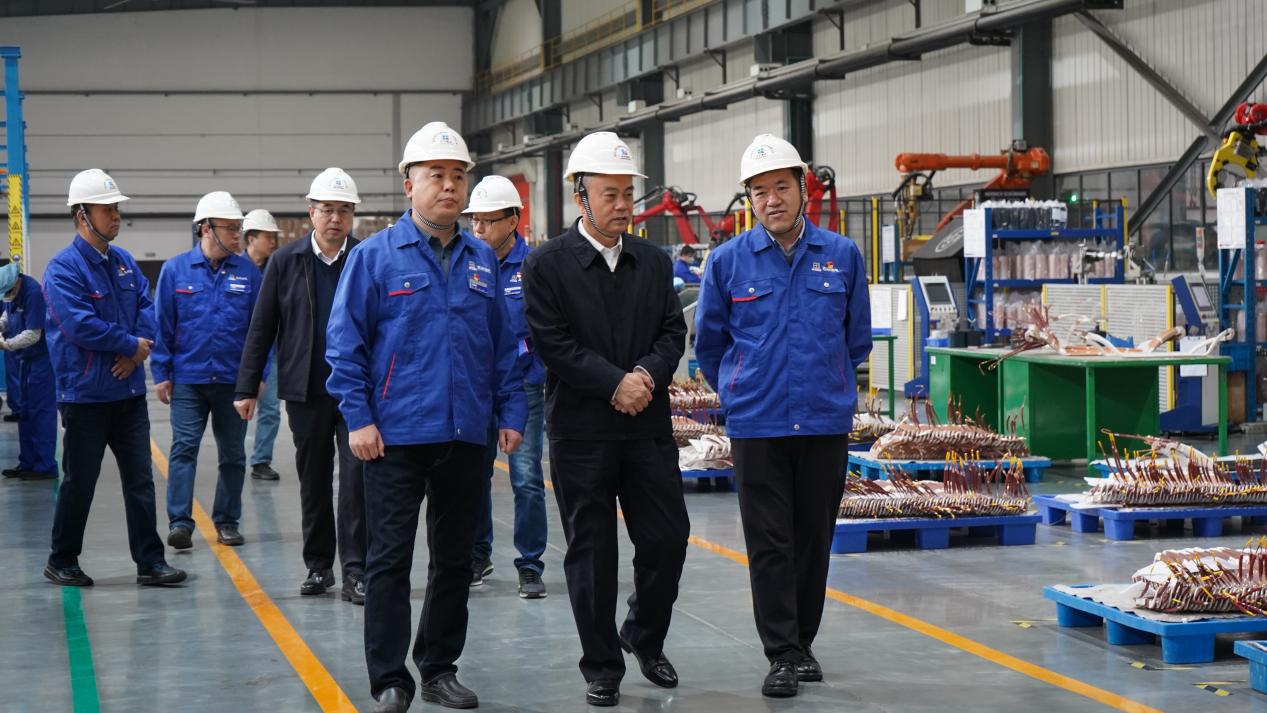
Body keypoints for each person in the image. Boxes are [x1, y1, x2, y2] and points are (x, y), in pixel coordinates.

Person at [326, 121, 526, 713]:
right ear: (409, 183)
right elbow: (344, 345)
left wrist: (511, 410)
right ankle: (391, 679)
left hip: (467, 433)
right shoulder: (374, 257)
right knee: (389, 561)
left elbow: (501, 346)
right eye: (436, 175)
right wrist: (359, 418)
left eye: (457, 175)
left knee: (455, 560)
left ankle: (438, 668)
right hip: (394, 437)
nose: (449, 186)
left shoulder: (481, 260)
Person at [694, 134, 872, 698]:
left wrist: (827, 382)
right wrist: (741, 390)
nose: (771, 199)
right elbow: (709, 345)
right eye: (759, 191)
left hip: (823, 421)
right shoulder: (727, 261)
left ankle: (803, 643)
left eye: (781, 187)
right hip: (758, 422)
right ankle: (782, 654)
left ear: (802, 190)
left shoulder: (842, 255)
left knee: (813, 538)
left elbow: (857, 340)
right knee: (770, 541)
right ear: (749, 198)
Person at [522, 132, 689, 708]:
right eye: (609, 194)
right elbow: (553, 343)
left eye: (627, 194)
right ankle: (602, 666)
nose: (622, 205)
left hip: (647, 428)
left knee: (668, 538)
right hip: (582, 431)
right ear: (581, 197)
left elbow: (672, 332)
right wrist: (613, 383)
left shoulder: (653, 261)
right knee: (592, 553)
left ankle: (643, 634)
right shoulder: (546, 265)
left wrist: (644, 375)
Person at [43, 168, 186, 587]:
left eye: (117, 208)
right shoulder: (63, 268)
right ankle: (62, 559)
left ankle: (150, 562)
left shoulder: (123, 262)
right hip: (86, 396)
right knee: (80, 483)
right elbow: (78, 325)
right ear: (81, 215)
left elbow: (147, 307)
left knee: (140, 481)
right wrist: (129, 346)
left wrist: (137, 347)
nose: (116, 216)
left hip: (127, 393)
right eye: (106, 209)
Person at [234, 168, 367, 602]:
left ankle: (356, 570)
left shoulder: (366, 258)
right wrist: (246, 386)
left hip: (355, 391)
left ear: (352, 215)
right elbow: (262, 326)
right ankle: (318, 566)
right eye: (327, 209)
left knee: (356, 481)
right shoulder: (285, 261)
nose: (335, 218)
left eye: (343, 210)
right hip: (306, 389)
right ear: (311, 212)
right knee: (313, 480)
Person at [153, 192, 262, 549]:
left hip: (234, 382)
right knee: (184, 449)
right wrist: (161, 373)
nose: (237, 235)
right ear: (205, 229)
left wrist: (258, 376)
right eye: (230, 228)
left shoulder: (249, 273)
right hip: (189, 379)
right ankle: (179, 523)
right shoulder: (175, 270)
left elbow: (262, 330)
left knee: (233, 454)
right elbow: (162, 326)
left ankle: (227, 521)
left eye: (238, 228)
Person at [463, 174, 549, 599]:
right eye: (474, 221)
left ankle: (530, 564)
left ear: (513, 221)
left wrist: (532, 377)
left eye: (487, 221)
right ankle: (478, 555)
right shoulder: (467, 263)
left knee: (527, 476)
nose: (478, 229)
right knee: (473, 476)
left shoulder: (535, 268)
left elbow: (549, 332)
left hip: (522, 387)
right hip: (476, 389)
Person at [0, 263, 57, 481]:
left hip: (42, 362)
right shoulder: (13, 293)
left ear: (16, 283)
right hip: (25, 360)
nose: (7, 297)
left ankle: (45, 466)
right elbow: (7, 317)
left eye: (8, 292)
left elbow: (33, 334)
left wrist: (6, 345)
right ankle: (28, 462)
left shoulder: (33, 293)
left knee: (40, 413)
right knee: (25, 412)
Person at [241, 209, 283, 481]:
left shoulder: (278, 268)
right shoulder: (234, 268)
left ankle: (261, 461)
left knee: (270, 409)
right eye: (268, 237)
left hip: (272, 352)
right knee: (237, 408)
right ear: (251, 239)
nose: (273, 242)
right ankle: (233, 457)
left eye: (273, 237)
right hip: (237, 353)